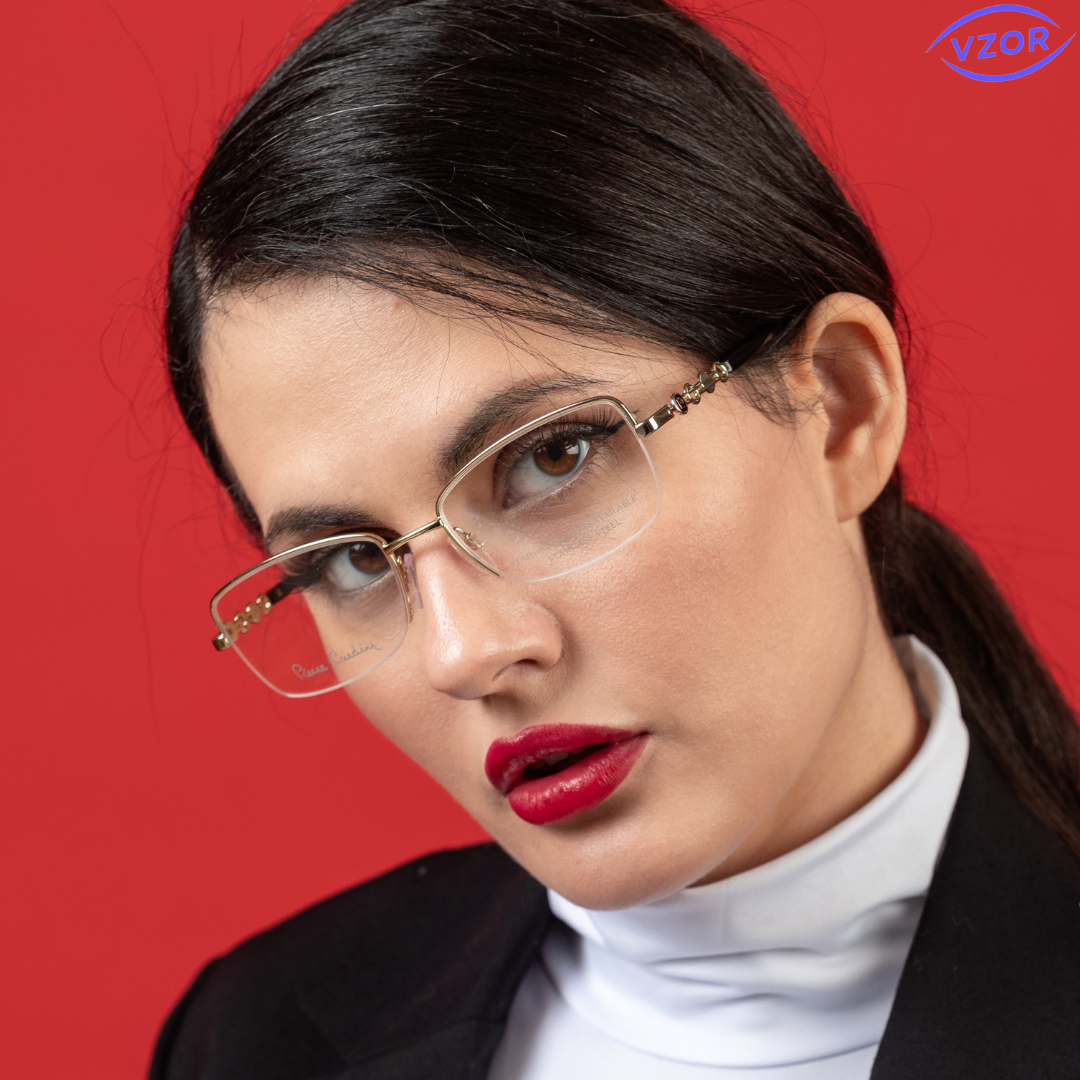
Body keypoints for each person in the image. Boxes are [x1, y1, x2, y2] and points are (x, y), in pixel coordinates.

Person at [149, 1, 1080, 1077]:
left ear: (840, 406)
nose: (463, 652)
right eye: (353, 558)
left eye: (552, 459)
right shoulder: (257, 1037)